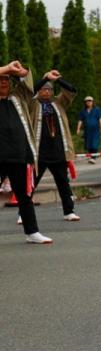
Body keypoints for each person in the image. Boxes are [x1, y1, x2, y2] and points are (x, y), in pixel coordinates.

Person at [1, 60, 54, 244]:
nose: (4, 82)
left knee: (25, 196)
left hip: (19, 155)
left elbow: (29, 84)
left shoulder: (18, 97)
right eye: (0, 79)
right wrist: (5, 68)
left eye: (7, 79)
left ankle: (32, 232)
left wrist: (22, 72)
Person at [32, 72, 80, 222]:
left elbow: (72, 91)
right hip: (39, 152)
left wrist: (57, 80)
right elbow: (29, 91)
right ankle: (23, 213)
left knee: (63, 183)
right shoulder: (32, 104)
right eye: (44, 89)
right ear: (39, 91)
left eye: (50, 89)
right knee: (30, 185)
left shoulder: (58, 103)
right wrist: (45, 78)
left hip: (58, 151)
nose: (47, 91)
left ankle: (68, 211)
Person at [75, 96, 101, 163]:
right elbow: (80, 120)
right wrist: (78, 129)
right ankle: (91, 157)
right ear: (85, 103)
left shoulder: (97, 110)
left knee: (94, 143)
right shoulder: (83, 111)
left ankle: (93, 158)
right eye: (87, 101)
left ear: (92, 102)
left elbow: (100, 119)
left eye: (90, 101)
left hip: (95, 130)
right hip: (87, 131)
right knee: (88, 144)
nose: (88, 102)